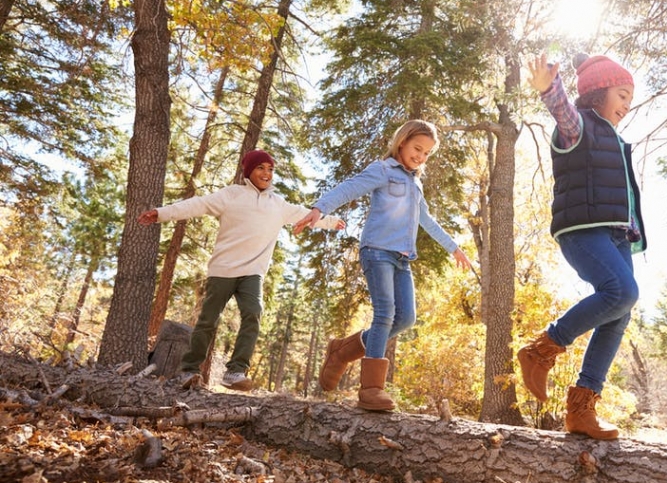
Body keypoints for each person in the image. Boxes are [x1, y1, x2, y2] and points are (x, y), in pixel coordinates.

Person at [294, 119, 472, 411]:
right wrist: (319, 209)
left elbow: (426, 220)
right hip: (377, 250)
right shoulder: (383, 170)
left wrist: (454, 248)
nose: (421, 157)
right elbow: (349, 188)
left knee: (406, 318)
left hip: (402, 258)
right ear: (402, 142)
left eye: (427, 153)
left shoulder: (415, 183)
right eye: (418, 149)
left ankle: (342, 351)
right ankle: (371, 389)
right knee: (385, 313)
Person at [138, 149, 345, 392]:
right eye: (260, 168)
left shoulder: (278, 204)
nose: (266, 173)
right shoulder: (231, 195)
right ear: (249, 171)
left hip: (253, 272)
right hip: (223, 269)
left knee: (253, 312)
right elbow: (197, 205)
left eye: (270, 169)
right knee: (208, 321)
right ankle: (190, 370)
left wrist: (331, 222)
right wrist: (161, 213)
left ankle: (235, 371)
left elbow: (306, 215)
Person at [518, 52, 647, 440]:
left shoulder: (616, 139)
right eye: (622, 95)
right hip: (582, 230)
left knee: (619, 312)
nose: (627, 105)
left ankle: (581, 409)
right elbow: (562, 112)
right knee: (621, 291)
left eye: (630, 98)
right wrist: (549, 88)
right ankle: (541, 350)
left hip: (615, 234)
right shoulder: (580, 127)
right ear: (597, 94)